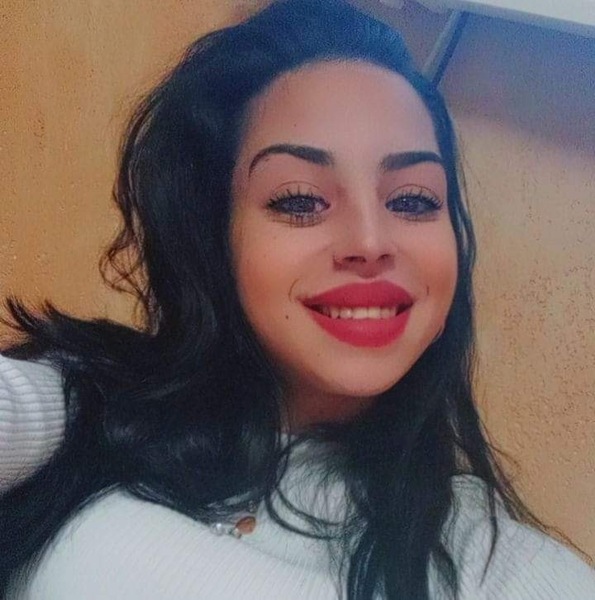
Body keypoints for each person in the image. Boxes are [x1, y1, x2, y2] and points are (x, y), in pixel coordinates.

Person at [0, 0, 594, 598]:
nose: (370, 242)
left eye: (412, 200)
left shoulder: (492, 566)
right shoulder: (87, 401)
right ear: (215, 238)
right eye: (300, 200)